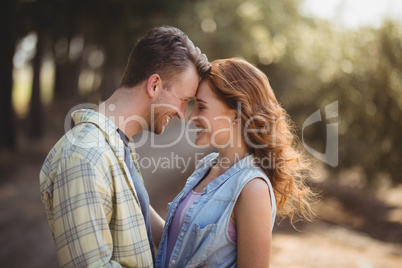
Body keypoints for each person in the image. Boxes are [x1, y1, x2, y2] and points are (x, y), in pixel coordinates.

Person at [39, 26, 210, 267]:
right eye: (183, 101)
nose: (183, 115)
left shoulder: (116, 146)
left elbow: (137, 226)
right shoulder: (84, 156)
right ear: (154, 86)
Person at [155, 58, 317, 268]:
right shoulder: (207, 167)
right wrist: (131, 185)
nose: (191, 116)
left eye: (201, 107)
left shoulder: (252, 189)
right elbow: (175, 245)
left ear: (236, 115)